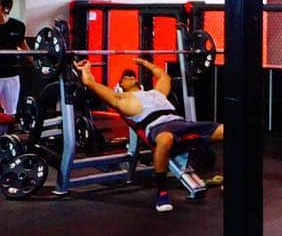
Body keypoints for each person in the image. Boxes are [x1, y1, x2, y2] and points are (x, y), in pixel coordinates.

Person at [74, 58, 223, 212]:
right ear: (120, 88)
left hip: (181, 123)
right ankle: (162, 192)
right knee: (166, 139)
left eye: (131, 76)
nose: (128, 77)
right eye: (124, 78)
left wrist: (145, 63)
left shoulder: (156, 93)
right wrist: (86, 69)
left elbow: (164, 77)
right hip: (159, 127)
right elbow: (90, 83)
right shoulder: (121, 99)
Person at [0, 0, 28, 134]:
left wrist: (37, 62)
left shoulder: (18, 26)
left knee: (11, 112)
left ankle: (8, 141)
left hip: (11, 75)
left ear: (5, 9)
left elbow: (23, 46)